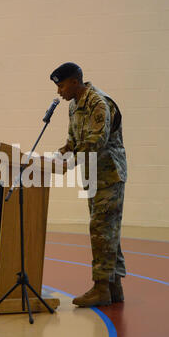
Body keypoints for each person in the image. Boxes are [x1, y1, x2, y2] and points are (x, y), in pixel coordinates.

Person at [50, 62, 127, 307]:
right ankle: (114, 287)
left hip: (109, 175)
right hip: (93, 177)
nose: (59, 92)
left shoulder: (98, 104)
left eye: (61, 86)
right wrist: (58, 155)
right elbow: (74, 141)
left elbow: (96, 143)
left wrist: (69, 162)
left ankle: (101, 288)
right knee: (108, 230)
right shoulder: (74, 106)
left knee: (101, 230)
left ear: (74, 82)